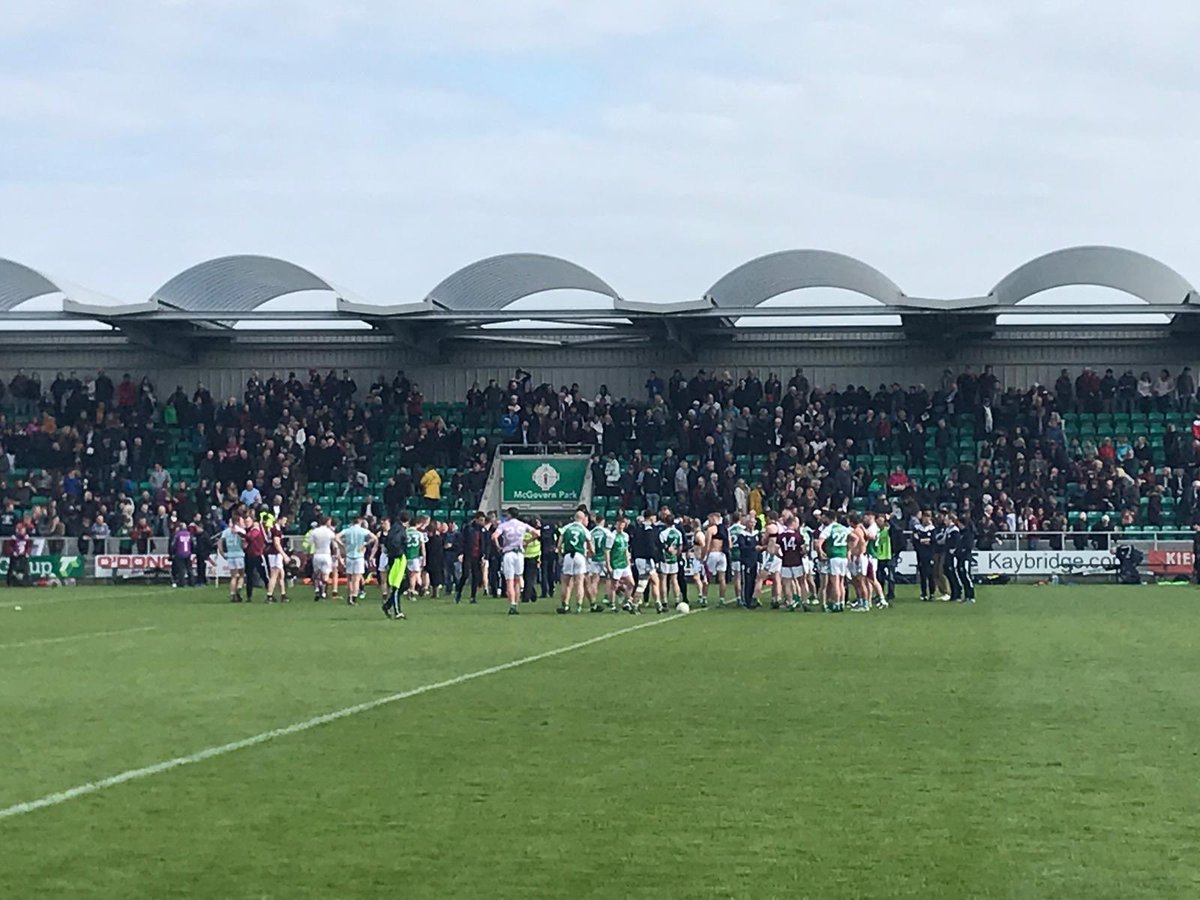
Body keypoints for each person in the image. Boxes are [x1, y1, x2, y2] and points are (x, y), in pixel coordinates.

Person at [493, 507, 537, 615]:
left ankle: (512, 604)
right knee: (517, 580)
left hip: (509, 553)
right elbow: (536, 533)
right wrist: (527, 542)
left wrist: (498, 547)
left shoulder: (504, 525)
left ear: (509, 514)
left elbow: (494, 536)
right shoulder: (523, 525)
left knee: (509, 581)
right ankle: (516, 604)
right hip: (519, 554)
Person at [557, 509, 593, 613]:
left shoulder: (566, 528)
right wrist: (591, 554)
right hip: (580, 556)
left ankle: (565, 605)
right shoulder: (584, 530)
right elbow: (591, 546)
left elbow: (559, 545)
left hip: (568, 555)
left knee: (566, 582)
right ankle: (579, 605)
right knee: (579, 582)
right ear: (583, 518)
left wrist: (560, 555)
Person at [816, 510, 851, 612]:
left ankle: (836, 603)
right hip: (843, 556)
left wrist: (821, 552)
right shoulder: (843, 528)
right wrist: (849, 549)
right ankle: (842, 602)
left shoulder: (829, 529)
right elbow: (855, 538)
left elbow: (818, 543)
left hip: (834, 556)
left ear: (828, 518)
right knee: (841, 582)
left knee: (835, 582)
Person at [339, 516, 377, 605]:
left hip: (349, 556)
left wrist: (342, 544)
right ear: (360, 521)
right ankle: (354, 597)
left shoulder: (347, 530)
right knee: (356, 579)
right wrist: (365, 544)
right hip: (359, 557)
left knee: (349, 579)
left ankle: (349, 596)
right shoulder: (363, 530)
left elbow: (336, 537)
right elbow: (374, 538)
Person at [306, 516, 340, 601]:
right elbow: (335, 543)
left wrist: (309, 553)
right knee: (326, 575)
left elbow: (310, 543)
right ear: (327, 522)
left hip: (317, 554)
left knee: (317, 574)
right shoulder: (329, 532)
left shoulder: (314, 531)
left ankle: (317, 589)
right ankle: (324, 592)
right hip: (326, 554)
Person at [456, 512, 486, 604]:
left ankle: (473, 597)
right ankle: (458, 592)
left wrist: (484, 555)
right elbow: (462, 541)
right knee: (465, 575)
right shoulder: (468, 528)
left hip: (477, 556)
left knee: (476, 576)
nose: (482, 522)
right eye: (481, 520)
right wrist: (460, 553)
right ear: (476, 519)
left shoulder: (482, 530)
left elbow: (484, 543)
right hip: (468, 555)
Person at [607, 515, 636, 612]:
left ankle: (627, 602)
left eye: (622, 523)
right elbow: (607, 551)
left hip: (624, 563)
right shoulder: (612, 536)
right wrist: (608, 564)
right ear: (615, 524)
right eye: (619, 523)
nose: (620, 525)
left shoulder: (625, 536)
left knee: (631, 583)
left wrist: (628, 560)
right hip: (616, 563)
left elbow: (626, 549)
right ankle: (612, 604)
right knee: (614, 585)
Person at [382, 516, 409, 620]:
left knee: (404, 584)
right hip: (398, 559)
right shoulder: (400, 530)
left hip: (396, 558)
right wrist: (400, 552)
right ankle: (397, 612)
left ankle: (387, 605)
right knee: (397, 585)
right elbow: (397, 543)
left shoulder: (394, 529)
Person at [657, 511, 684, 610]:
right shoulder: (678, 533)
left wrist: (668, 550)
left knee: (663, 580)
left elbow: (662, 545)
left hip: (665, 559)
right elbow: (680, 546)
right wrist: (677, 554)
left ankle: (664, 601)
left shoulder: (663, 533)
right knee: (674, 580)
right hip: (674, 559)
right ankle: (677, 600)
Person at [704, 511, 729, 606]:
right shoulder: (725, 530)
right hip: (722, 555)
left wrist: (704, 556)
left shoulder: (711, 529)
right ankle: (722, 599)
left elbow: (707, 545)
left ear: (713, 518)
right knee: (722, 578)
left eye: (709, 519)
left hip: (713, 554)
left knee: (707, 577)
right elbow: (729, 544)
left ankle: (704, 598)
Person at [243, 512, 269, 602]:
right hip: (249, 555)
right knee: (249, 576)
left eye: (248, 521)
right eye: (245, 522)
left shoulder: (255, 529)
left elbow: (251, 537)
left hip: (257, 555)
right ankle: (249, 596)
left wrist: (240, 533)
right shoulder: (249, 530)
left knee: (263, 575)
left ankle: (270, 593)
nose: (246, 523)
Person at [266, 513, 292, 603]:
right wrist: (284, 555)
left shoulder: (274, 529)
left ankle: (283, 594)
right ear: (279, 520)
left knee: (281, 574)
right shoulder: (276, 530)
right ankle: (269, 595)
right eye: (284, 520)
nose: (285, 522)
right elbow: (277, 544)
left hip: (275, 554)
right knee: (274, 574)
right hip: (275, 554)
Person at [220, 516, 246, 603]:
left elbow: (220, 542)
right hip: (239, 554)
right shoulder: (241, 531)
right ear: (238, 522)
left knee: (233, 576)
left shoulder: (226, 531)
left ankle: (232, 594)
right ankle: (239, 588)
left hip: (230, 555)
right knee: (241, 575)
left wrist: (222, 552)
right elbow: (244, 543)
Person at [913, 511, 936, 601]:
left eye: (928, 517)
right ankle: (924, 593)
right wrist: (924, 540)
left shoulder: (932, 529)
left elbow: (933, 541)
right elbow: (915, 540)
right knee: (922, 575)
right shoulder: (917, 528)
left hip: (930, 555)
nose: (926, 519)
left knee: (931, 575)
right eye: (925, 517)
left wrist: (922, 540)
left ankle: (932, 593)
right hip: (920, 554)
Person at [521, 517, 541, 604]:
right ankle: (531, 595)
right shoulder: (536, 534)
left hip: (524, 557)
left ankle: (528, 596)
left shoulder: (523, 534)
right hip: (534, 558)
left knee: (526, 578)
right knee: (530, 579)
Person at [170, 521, 194, 588]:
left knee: (181, 569)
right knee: (189, 569)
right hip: (188, 553)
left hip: (179, 553)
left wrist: (173, 552)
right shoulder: (189, 534)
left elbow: (173, 545)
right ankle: (192, 582)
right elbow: (193, 543)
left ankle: (182, 583)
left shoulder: (177, 535)